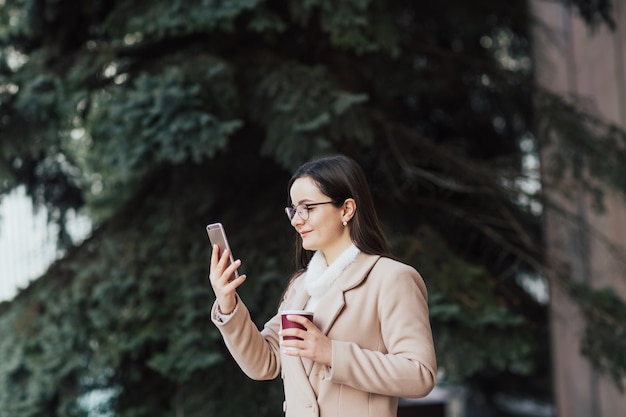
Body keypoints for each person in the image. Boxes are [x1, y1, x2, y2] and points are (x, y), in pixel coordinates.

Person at [208, 154, 437, 417]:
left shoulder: (392, 278)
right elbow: (265, 362)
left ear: (347, 210)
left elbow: (420, 374)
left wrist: (332, 354)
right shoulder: (301, 287)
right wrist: (228, 305)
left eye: (308, 208)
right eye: (293, 209)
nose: (296, 220)